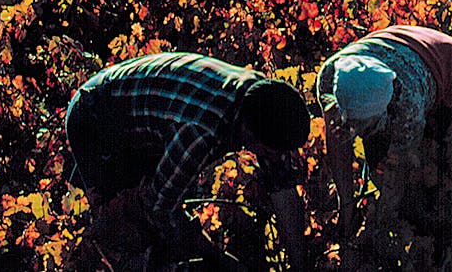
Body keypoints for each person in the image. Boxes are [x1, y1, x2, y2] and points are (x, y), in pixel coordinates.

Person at [65, 52, 313, 272]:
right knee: (125, 226)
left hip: (144, 114)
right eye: (270, 151)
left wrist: (300, 266)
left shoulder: (264, 99)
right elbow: (160, 209)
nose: (275, 157)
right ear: (251, 135)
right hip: (96, 116)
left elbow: (284, 191)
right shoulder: (200, 133)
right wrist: (220, 258)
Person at [318, 25, 452, 269]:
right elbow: (337, 142)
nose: (356, 132)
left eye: (364, 125)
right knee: (379, 159)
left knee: (441, 175)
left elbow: (398, 172)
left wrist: (377, 226)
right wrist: (346, 203)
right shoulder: (330, 78)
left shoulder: (409, 105)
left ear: (386, 109)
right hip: (399, 47)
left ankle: (451, 249)